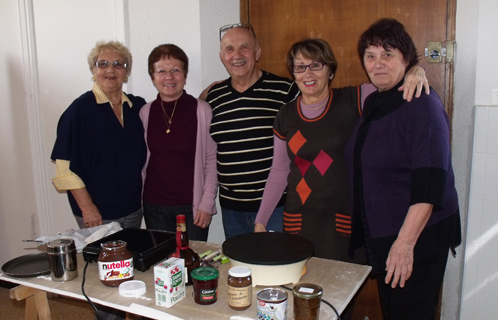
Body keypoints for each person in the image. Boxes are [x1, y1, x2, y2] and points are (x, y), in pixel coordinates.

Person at [254, 38, 428, 263]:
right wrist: (261, 220)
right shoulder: (285, 116)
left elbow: (392, 83)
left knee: (342, 292)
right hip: (299, 221)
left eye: (316, 65)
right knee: (304, 290)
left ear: (330, 70)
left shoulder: (354, 99)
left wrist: (416, 69)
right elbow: (279, 172)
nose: (308, 74)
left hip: (341, 222)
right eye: (300, 67)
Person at [344, 18, 461, 319]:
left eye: (388, 54)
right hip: (388, 236)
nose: (378, 63)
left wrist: (404, 244)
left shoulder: (421, 103)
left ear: (406, 59)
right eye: (370, 56)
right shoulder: (377, 100)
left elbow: (430, 183)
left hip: (415, 240)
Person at [205, 23, 300, 239]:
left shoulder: (285, 90)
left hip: (278, 207)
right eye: (229, 49)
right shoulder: (213, 97)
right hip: (232, 211)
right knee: (240, 270)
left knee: (276, 269)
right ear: (222, 57)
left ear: (257, 53)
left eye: (244, 47)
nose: (236, 55)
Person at [51, 40, 147, 230]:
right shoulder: (79, 111)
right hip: (98, 215)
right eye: (102, 64)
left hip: (135, 210)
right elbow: (64, 168)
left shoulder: (137, 107)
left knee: (131, 258)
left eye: (119, 64)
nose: (110, 69)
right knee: (101, 260)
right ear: (93, 71)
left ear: (126, 73)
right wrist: (87, 207)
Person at [139, 44, 217, 241]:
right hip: (154, 206)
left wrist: (207, 203)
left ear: (185, 74)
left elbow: (212, 160)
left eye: (176, 70)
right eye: (161, 71)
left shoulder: (202, 110)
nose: (169, 77)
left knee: (192, 265)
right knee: (162, 264)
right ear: (152, 76)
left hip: (192, 207)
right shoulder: (145, 113)